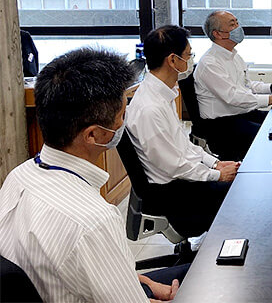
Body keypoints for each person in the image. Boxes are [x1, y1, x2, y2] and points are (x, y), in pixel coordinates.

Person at [0, 48, 186, 302]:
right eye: (122, 115)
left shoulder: (18, 176)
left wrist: (140, 282)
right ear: (94, 135)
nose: (124, 122)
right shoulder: (94, 220)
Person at [126, 25, 239, 236]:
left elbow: (182, 145)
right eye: (188, 55)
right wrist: (216, 175)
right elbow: (173, 166)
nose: (190, 62)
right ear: (172, 60)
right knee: (241, 199)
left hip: (180, 180)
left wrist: (214, 163)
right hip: (171, 193)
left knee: (241, 186)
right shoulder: (150, 108)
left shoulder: (163, 93)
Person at [194, 10, 272, 160]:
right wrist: (270, 99)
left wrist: (271, 87)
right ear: (217, 34)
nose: (238, 27)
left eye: (237, 22)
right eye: (233, 24)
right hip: (222, 125)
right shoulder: (210, 63)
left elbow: (246, 85)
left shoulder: (233, 56)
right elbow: (232, 97)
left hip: (241, 114)